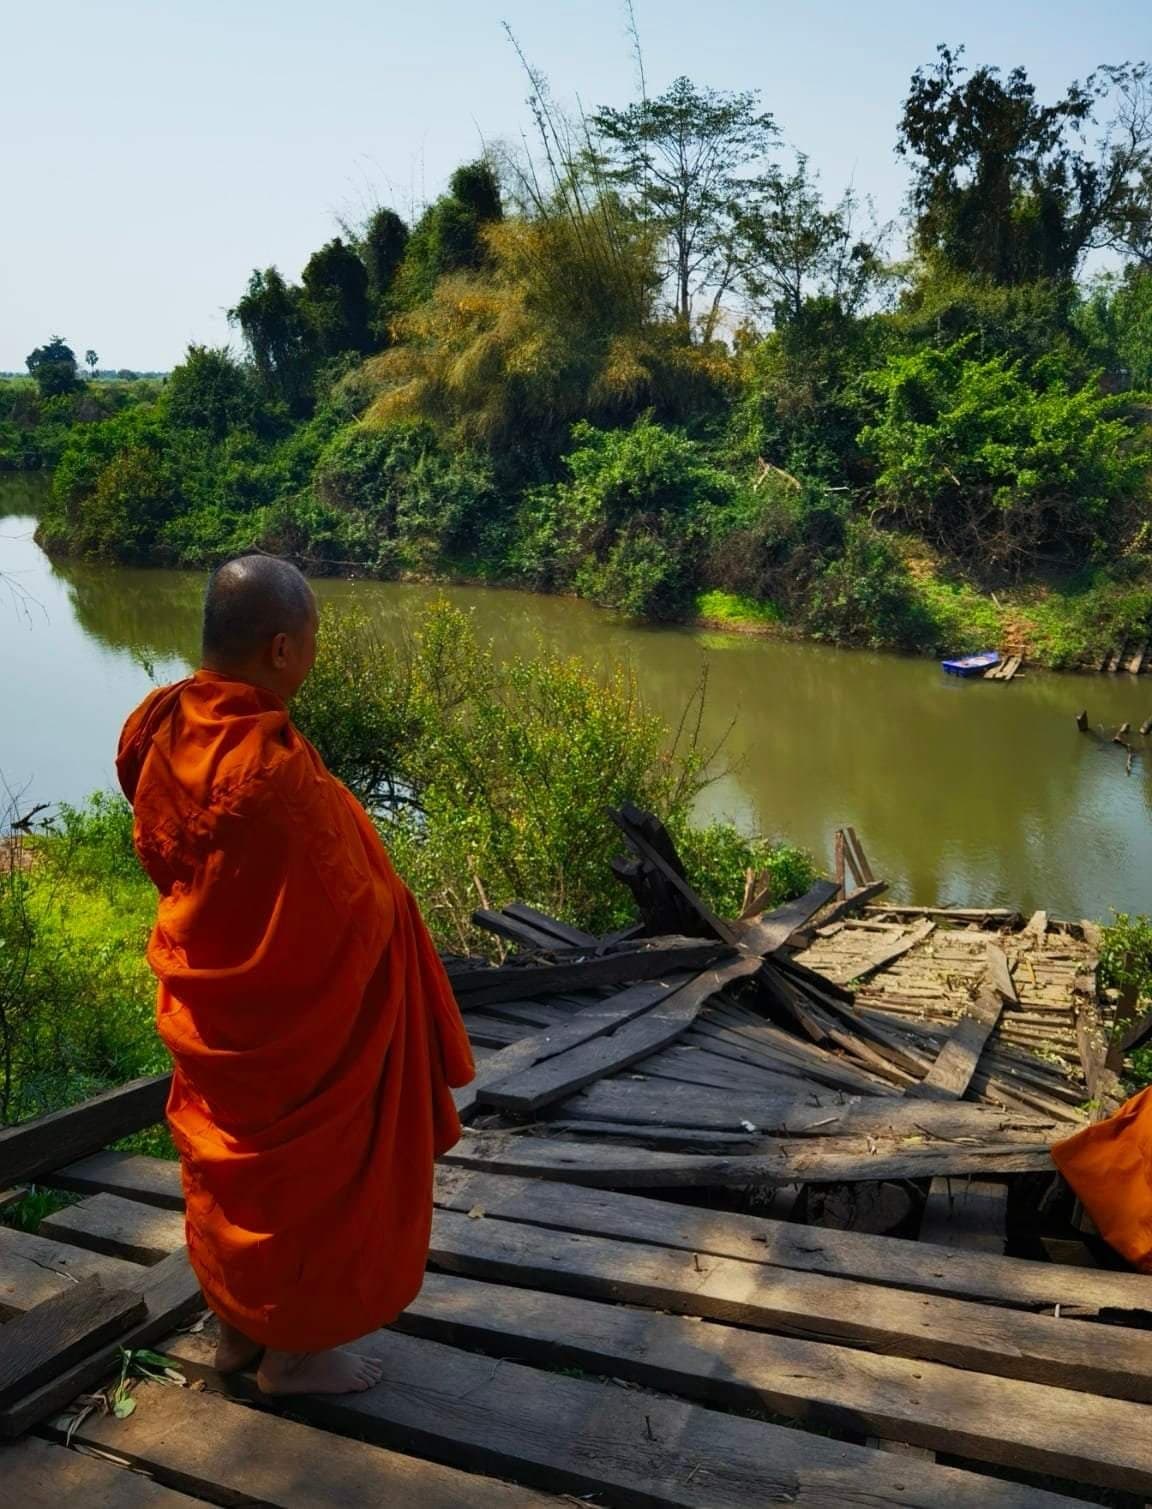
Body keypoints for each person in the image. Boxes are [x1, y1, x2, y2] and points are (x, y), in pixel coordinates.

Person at [116, 554, 474, 1395]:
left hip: (217, 1005)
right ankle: (299, 1352)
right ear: (282, 649)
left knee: (232, 1163)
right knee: (313, 1168)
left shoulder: (159, 725)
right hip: (300, 1026)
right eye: (311, 639)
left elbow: (187, 851)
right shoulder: (273, 773)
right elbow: (347, 907)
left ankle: (238, 1327)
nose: (313, 653)